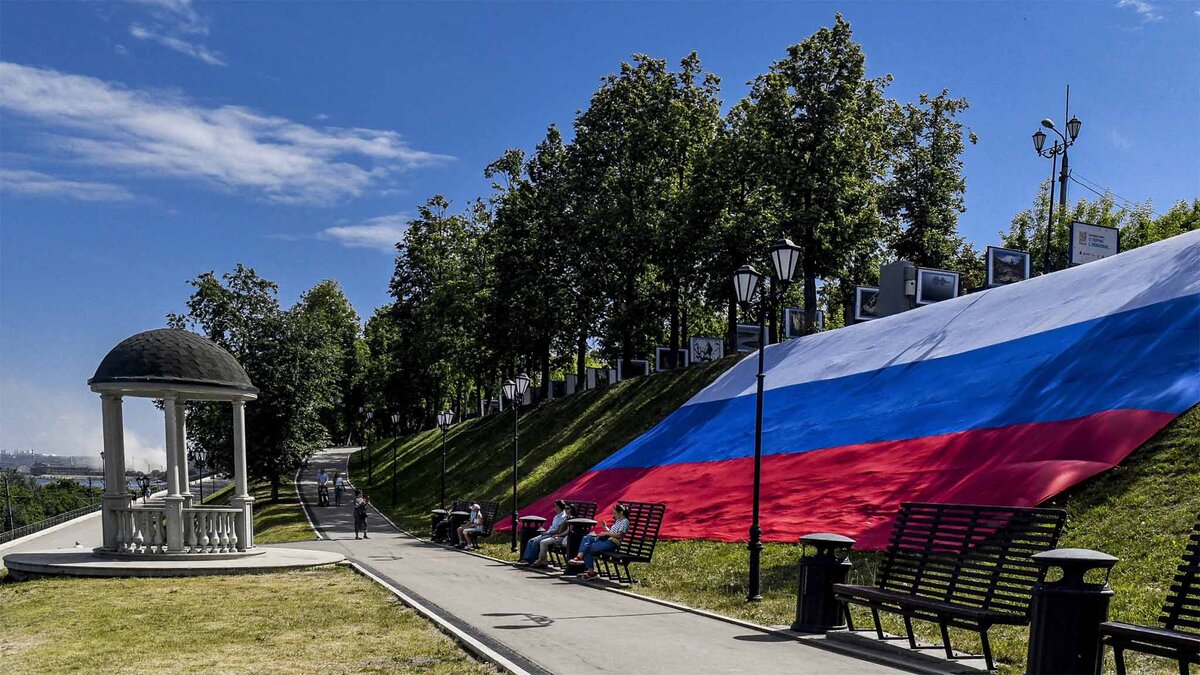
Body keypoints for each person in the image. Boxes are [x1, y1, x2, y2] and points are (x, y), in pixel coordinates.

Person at [570, 503, 629, 581]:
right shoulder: (618, 521)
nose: (614, 515)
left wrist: (606, 533)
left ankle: (590, 572)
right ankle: (580, 557)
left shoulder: (625, 521)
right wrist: (605, 528)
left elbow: (619, 535)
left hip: (612, 543)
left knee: (588, 548)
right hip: (606, 540)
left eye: (615, 513)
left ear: (621, 513)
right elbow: (612, 532)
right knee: (586, 538)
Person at [517, 500, 572, 567]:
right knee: (531, 541)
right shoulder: (557, 516)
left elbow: (558, 530)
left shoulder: (563, 517)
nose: (554, 508)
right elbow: (553, 527)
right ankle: (526, 559)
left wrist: (548, 533)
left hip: (552, 534)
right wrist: (547, 532)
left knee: (536, 542)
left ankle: (531, 560)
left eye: (555, 506)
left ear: (559, 507)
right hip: (549, 533)